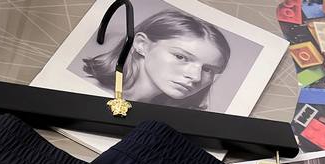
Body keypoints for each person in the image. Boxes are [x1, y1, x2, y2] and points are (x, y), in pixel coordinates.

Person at [82, 10, 230, 110]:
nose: (196, 77)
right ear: (142, 44)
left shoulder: (170, 119)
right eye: (181, 57)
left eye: (208, 69)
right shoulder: (86, 92)